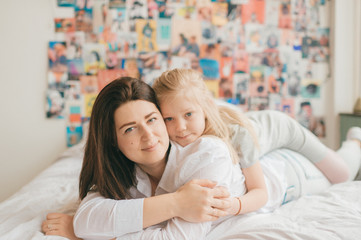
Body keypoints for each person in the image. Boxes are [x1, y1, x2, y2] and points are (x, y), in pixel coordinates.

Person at [43, 71, 361, 239]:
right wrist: (177, 203)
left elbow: (179, 238)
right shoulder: (126, 173)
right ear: (111, 142)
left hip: (286, 170)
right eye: (129, 129)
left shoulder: (209, 152)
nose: (150, 135)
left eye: (152, 120)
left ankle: (355, 142)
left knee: (343, 170)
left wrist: (101, 236)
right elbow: (87, 219)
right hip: (256, 148)